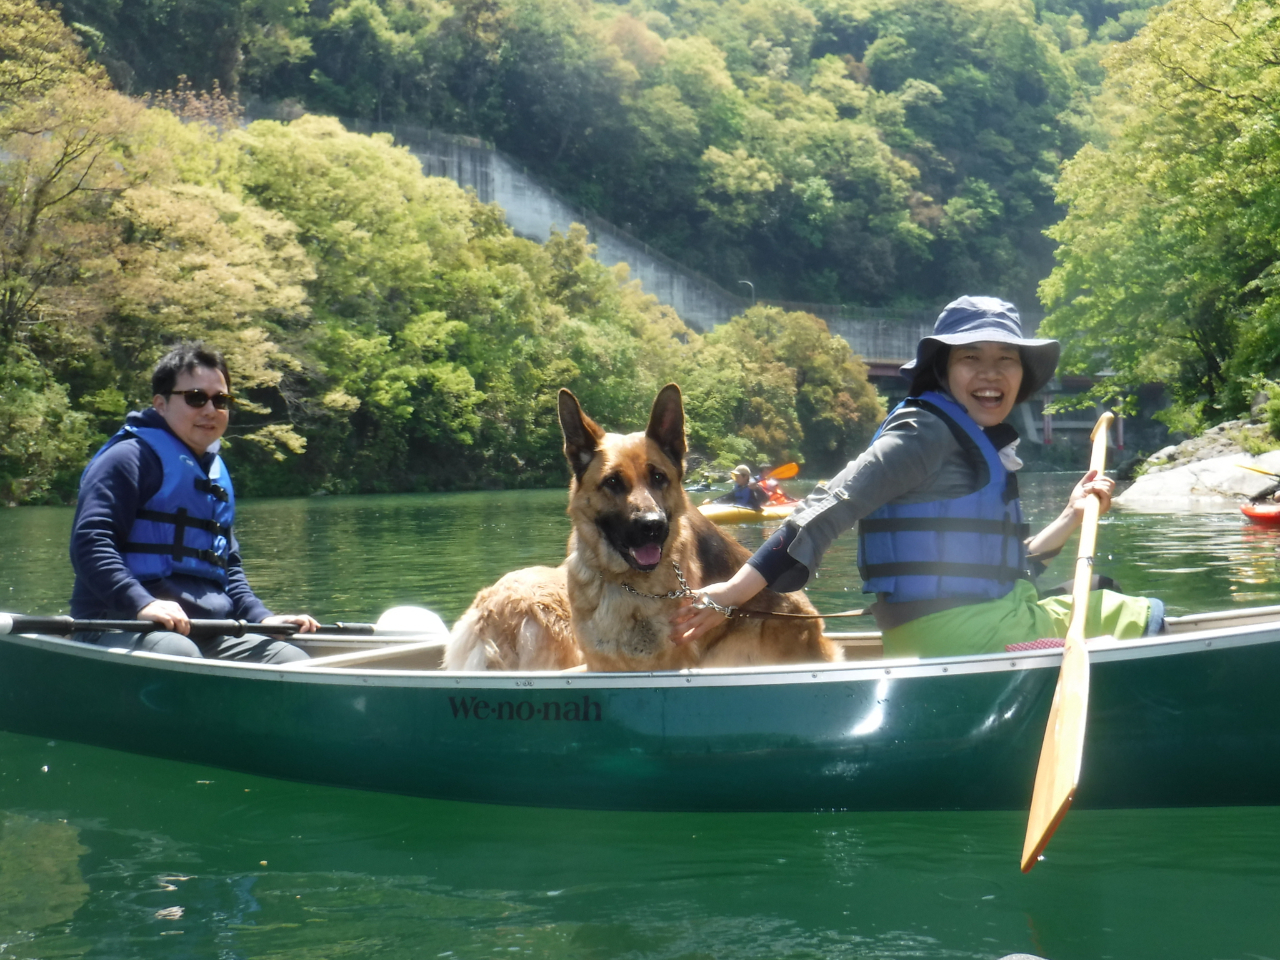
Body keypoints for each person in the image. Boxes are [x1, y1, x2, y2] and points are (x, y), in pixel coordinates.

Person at [673, 296, 1164, 658]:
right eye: (971, 357)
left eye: (1005, 359)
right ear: (944, 371)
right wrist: (732, 594)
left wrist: (1071, 515)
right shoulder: (926, 432)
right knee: (1143, 617)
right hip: (964, 638)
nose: (990, 373)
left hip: (972, 623)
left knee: (1102, 585)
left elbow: (1002, 569)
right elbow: (829, 505)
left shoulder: (966, 438)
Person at [69, 342, 317, 663]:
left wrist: (261, 617)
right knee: (178, 653)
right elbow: (90, 543)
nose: (210, 410)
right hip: (119, 621)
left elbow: (227, 568)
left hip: (204, 630)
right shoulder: (128, 459)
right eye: (196, 398)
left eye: (221, 399)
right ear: (160, 404)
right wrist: (141, 603)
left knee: (290, 659)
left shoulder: (212, 471)